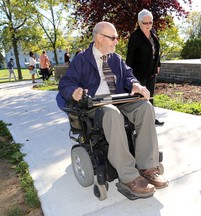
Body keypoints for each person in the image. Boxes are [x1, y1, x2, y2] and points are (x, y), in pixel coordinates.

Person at [56, 21, 168, 198]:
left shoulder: (115, 58)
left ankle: (147, 167)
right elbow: (65, 83)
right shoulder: (82, 59)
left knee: (146, 107)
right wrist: (74, 91)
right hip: (96, 105)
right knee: (112, 113)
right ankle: (128, 176)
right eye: (113, 38)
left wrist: (136, 85)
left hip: (118, 100)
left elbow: (129, 76)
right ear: (99, 37)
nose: (117, 41)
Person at [126, 9, 164, 126]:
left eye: (150, 22)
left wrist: (158, 64)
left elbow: (156, 50)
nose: (148, 25)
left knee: (150, 95)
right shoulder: (135, 37)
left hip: (151, 71)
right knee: (140, 97)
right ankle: (136, 119)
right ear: (139, 22)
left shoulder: (153, 32)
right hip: (138, 72)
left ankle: (151, 118)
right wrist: (129, 74)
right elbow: (130, 57)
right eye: (145, 23)